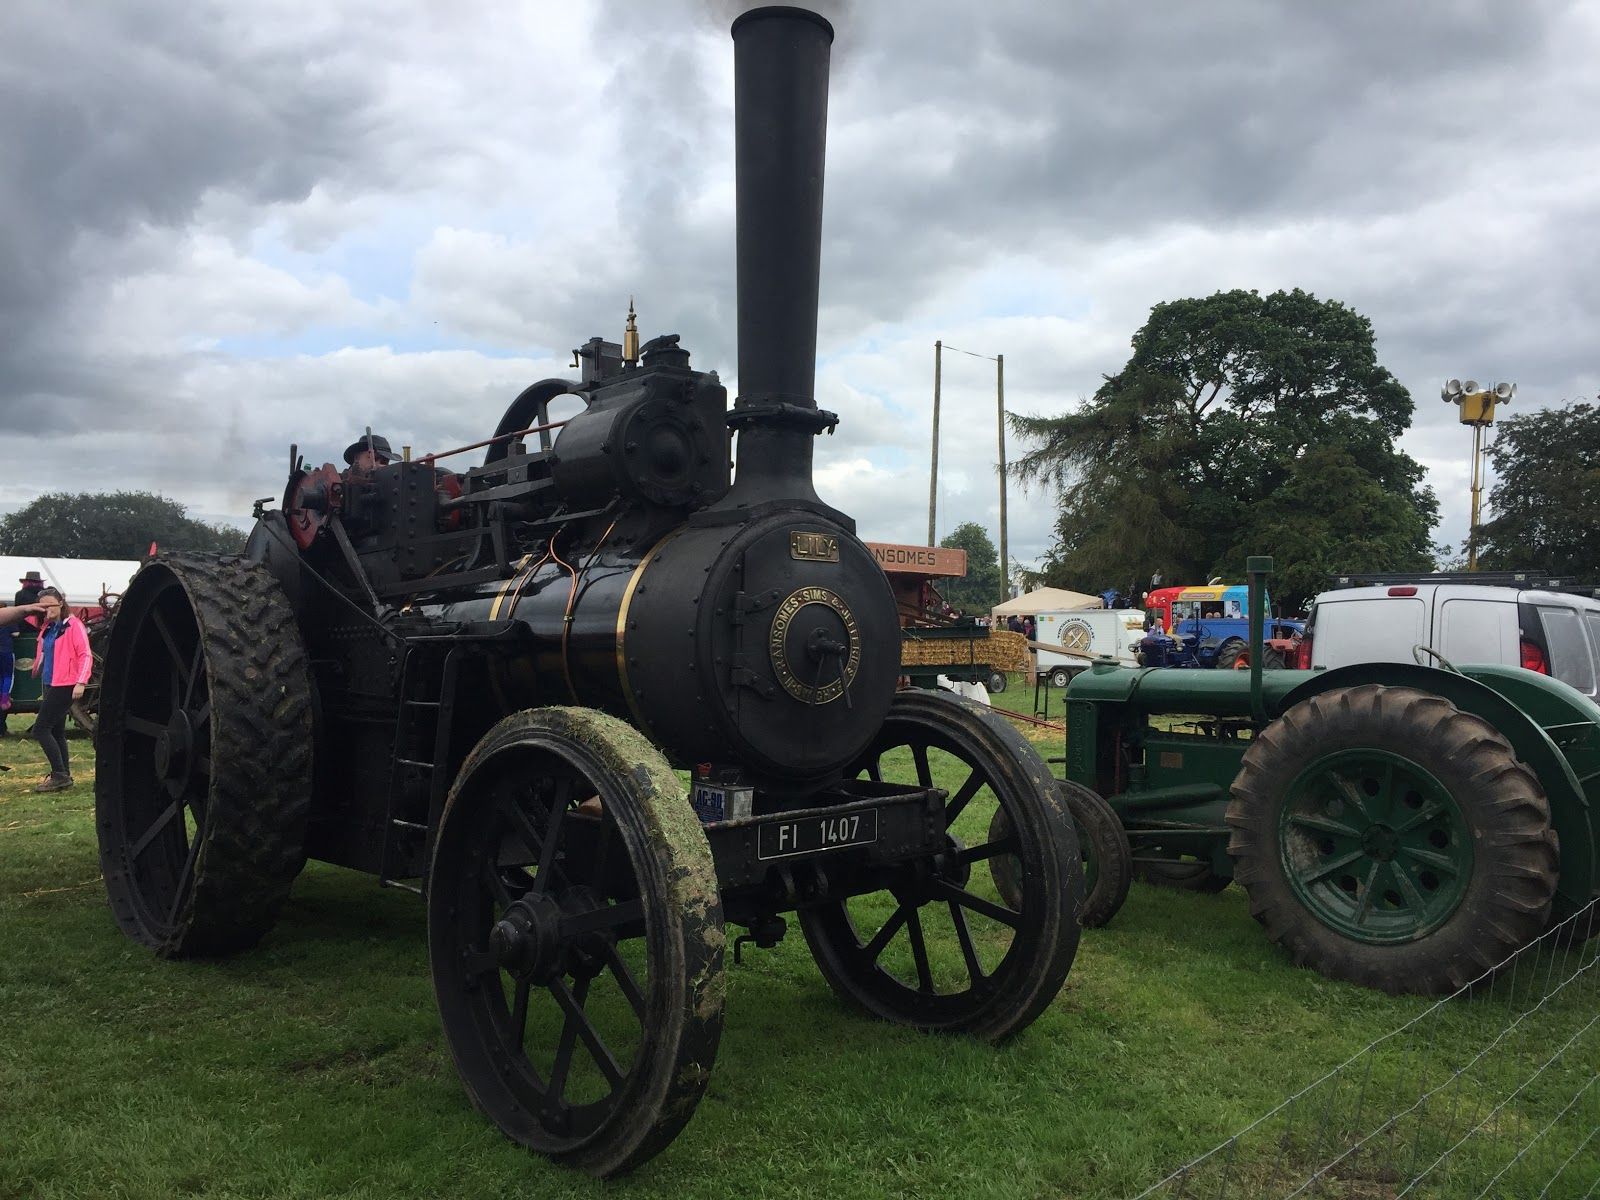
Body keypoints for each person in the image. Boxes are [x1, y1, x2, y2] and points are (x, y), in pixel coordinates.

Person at [29, 587, 91, 793]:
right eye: (43, 606)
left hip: (65, 684)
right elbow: (46, 650)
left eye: (50, 605)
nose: (47, 609)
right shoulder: (49, 627)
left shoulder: (74, 626)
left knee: (41, 729)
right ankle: (64, 774)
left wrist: (81, 681)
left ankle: (59, 775)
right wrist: (38, 665)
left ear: (61, 603)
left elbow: (85, 654)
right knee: (56, 730)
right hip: (50, 682)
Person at [0, 601, 42, 737]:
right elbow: (17, 634)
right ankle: (5, 697)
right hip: (6, 651)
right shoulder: (10, 621)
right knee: (8, 675)